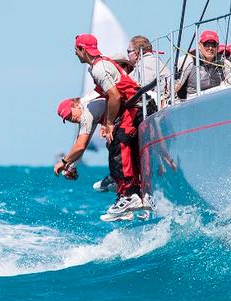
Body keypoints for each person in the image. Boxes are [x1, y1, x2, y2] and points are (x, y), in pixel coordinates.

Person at [73, 33, 149, 218]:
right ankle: (129, 195)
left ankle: (130, 195)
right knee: (118, 146)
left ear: (83, 49)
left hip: (136, 106)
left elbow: (114, 96)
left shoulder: (99, 68)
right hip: (133, 106)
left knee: (118, 145)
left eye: (76, 49)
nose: (75, 53)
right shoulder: (97, 66)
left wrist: (108, 123)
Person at [53, 97, 106, 178]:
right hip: (119, 118)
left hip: (125, 114)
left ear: (75, 105)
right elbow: (80, 144)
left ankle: (124, 181)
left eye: (71, 114)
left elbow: (80, 146)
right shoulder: (86, 114)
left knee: (114, 146)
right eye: (68, 119)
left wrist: (64, 162)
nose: (72, 118)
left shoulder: (86, 114)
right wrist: (72, 167)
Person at [175, 30, 231, 98]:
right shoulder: (188, 60)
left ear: (217, 46)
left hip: (215, 98)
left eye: (213, 45)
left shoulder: (223, 62)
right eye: (206, 44)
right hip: (190, 100)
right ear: (199, 45)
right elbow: (176, 85)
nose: (210, 48)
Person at [127, 35, 171, 106]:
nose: (127, 55)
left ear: (137, 52)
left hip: (159, 107)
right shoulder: (155, 61)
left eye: (128, 51)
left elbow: (145, 89)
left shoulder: (145, 64)